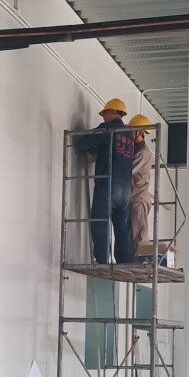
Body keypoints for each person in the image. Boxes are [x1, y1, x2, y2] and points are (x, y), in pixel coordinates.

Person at [74, 99, 134, 264]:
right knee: (122, 227)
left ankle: (102, 260)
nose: (103, 117)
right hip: (126, 188)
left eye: (105, 113)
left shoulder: (108, 128)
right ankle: (124, 262)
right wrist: (100, 150)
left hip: (108, 184)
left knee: (100, 221)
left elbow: (83, 143)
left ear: (113, 112)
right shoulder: (129, 134)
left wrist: (94, 150)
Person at [128, 114, 154, 255]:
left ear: (139, 132)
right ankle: (135, 260)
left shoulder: (143, 152)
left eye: (131, 131)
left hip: (138, 198)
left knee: (139, 235)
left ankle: (142, 261)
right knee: (132, 233)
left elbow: (128, 170)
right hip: (134, 197)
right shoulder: (137, 150)